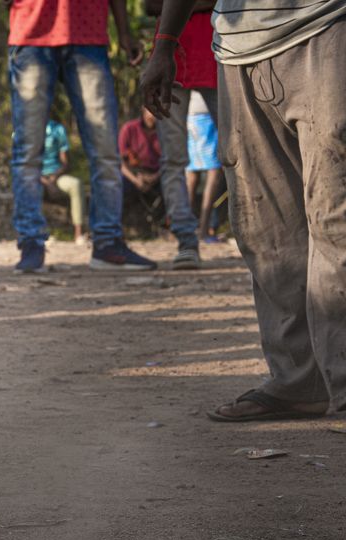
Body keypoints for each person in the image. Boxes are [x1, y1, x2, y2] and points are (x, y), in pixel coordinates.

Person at [142, 0, 346, 421]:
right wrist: (164, 44)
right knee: (267, 228)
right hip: (236, 48)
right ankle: (299, 380)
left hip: (325, 27)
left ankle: (343, 383)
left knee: (335, 215)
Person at [6, 0, 157, 273]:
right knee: (27, 150)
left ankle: (108, 243)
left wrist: (124, 31)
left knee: (105, 148)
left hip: (87, 32)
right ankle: (31, 244)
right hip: (32, 31)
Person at [143, 0, 219, 270]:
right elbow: (151, 6)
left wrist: (177, 5)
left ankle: (257, 236)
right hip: (170, 57)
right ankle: (187, 240)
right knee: (174, 158)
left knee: (238, 152)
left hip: (218, 55)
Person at [38, 118, 86, 245]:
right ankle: (41, 233)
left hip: (56, 176)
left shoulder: (57, 128)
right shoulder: (25, 127)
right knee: (33, 188)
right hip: (35, 177)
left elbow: (65, 163)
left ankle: (78, 234)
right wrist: (41, 178)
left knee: (76, 184)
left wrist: (54, 177)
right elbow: (23, 163)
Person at [184, 91, 223, 240]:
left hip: (190, 114)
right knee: (214, 173)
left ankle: (185, 229)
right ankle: (204, 229)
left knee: (191, 176)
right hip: (208, 112)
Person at [118, 107, 164, 232]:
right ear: (143, 111)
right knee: (117, 188)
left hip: (157, 175)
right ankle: (118, 228)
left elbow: (169, 161)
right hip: (131, 174)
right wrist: (135, 179)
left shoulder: (165, 132)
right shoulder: (129, 129)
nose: (152, 115)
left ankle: (165, 226)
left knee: (173, 187)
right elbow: (120, 162)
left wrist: (155, 177)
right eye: (150, 111)